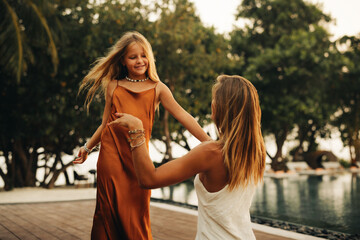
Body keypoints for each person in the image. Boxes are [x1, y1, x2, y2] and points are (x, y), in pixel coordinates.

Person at [73, 31, 210, 239]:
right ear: (123, 61)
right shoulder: (114, 86)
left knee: (136, 216)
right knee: (106, 214)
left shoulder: (158, 88)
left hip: (139, 163)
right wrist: (87, 148)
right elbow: (105, 125)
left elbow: (184, 115)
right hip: (110, 159)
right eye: (133, 57)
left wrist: (211, 143)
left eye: (143, 55)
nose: (140, 61)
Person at [111, 75, 266, 239]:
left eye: (214, 99)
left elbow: (148, 179)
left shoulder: (210, 153)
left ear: (218, 108)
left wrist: (137, 131)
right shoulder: (256, 153)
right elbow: (218, 149)